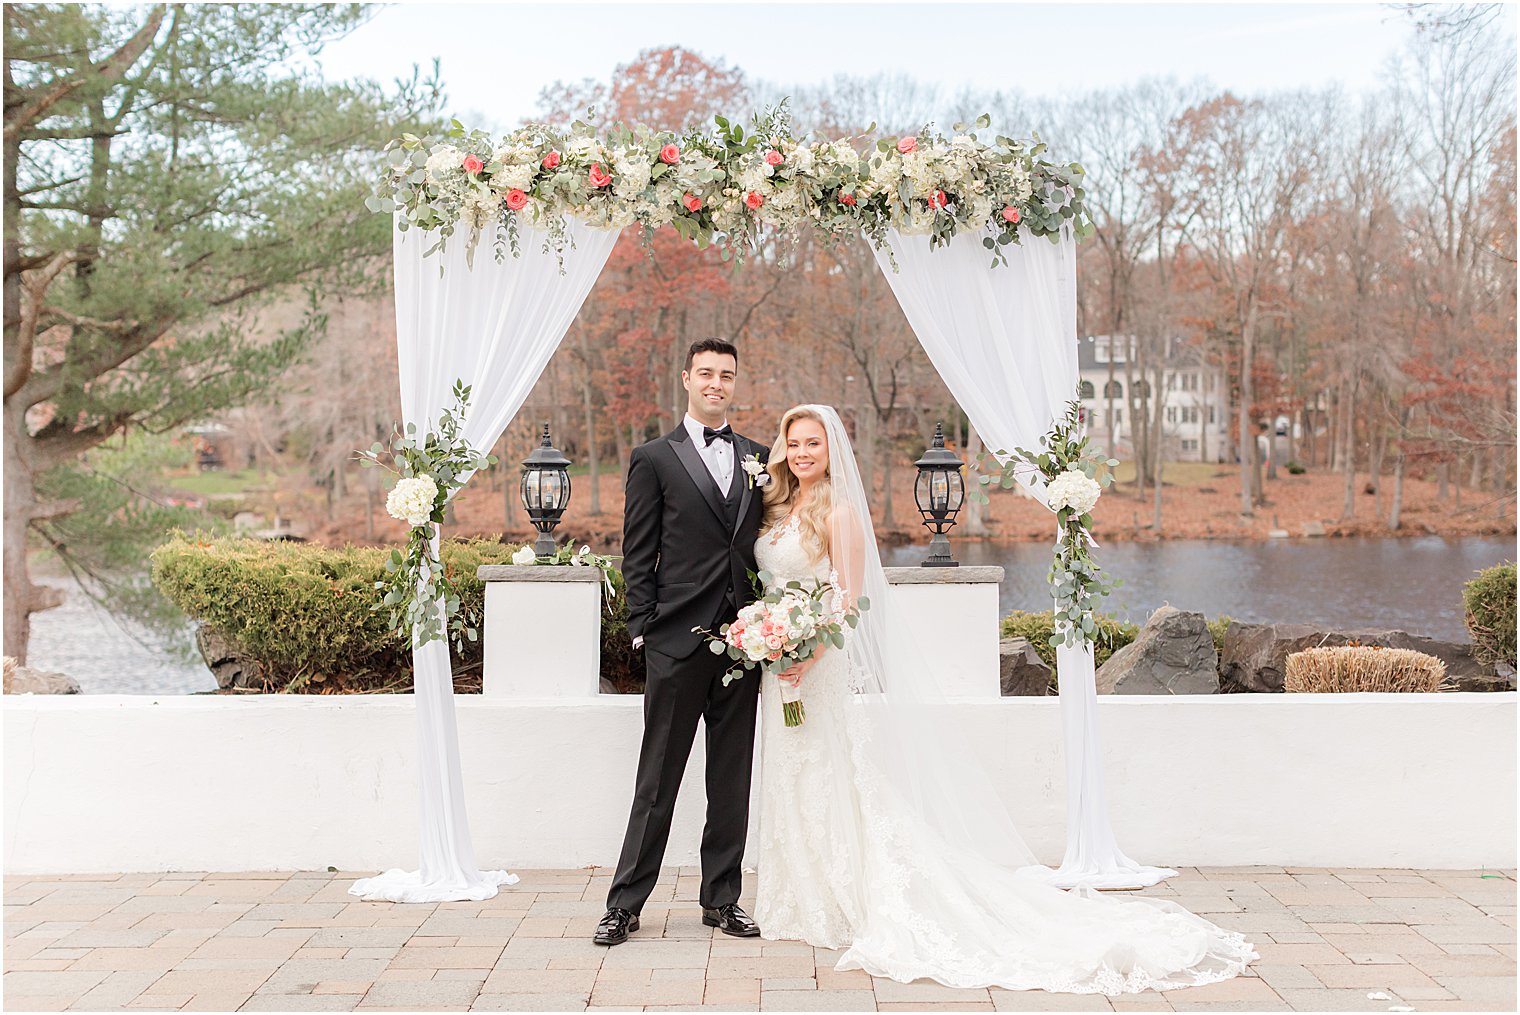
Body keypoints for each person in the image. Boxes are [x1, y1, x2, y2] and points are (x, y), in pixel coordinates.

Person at [748, 404, 1258, 993]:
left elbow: (852, 600)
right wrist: (769, 637)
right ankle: (795, 896)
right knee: (792, 768)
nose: (805, 451)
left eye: (815, 442)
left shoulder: (838, 514)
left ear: (832, 451)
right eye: (796, 442)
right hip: (778, 663)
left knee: (830, 768)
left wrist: (807, 652)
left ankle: (837, 897)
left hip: (818, 661)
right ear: (783, 448)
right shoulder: (776, 509)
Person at [595, 339, 769, 946]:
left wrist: (771, 623)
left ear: (735, 382)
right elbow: (637, 551)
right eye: (706, 373)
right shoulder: (654, 458)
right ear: (686, 380)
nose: (716, 383)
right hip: (676, 640)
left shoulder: (759, 458)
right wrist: (643, 629)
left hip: (746, 642)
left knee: (731, 776)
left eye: (727, 374)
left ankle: (722, 899)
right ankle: (625, 903)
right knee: (658, 777)